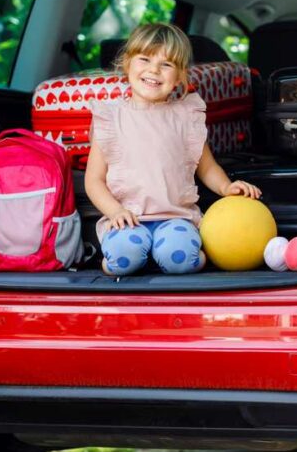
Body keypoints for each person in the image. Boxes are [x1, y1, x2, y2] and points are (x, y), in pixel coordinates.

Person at [84, 22, 261, 275]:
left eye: (166, 64)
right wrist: (115, 212)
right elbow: (94, 180)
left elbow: (207, 167)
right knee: (123, 258)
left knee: (180, 259)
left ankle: (176, 257)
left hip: (176, 217)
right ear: (127, 64)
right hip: (129, 218)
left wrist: (226, 187)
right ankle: (118, 261)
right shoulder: (111, 118)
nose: (154, 70)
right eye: (144, 59)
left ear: (179, 76)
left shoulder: (186, 116)